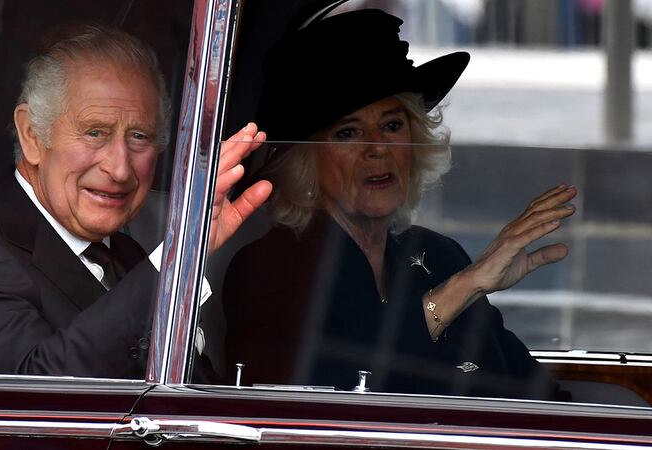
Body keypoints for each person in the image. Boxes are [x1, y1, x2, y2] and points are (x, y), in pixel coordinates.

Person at [222, 3, 574, 400]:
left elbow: (540, 396)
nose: (378, 148)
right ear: (306, 160)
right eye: (348, 133)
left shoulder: (439, 255)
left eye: (392, 125)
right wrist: (465, 286)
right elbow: (334, 390)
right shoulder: (269, 268)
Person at [0, 25, 272, 378]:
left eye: (139, 136)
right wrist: (179, 256)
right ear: (32, 134)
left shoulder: (124, 254)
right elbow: (37, 394)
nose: (120, 169)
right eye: (95, 132)